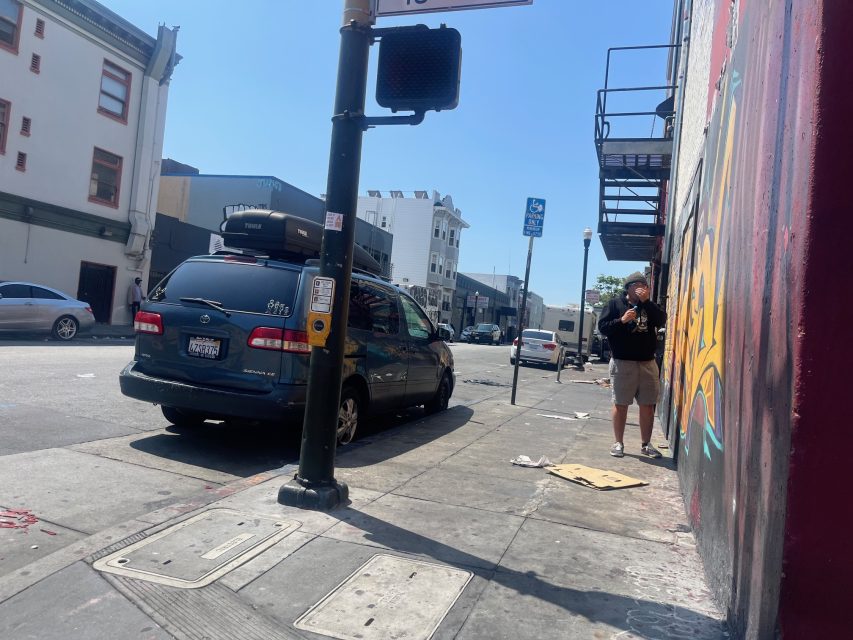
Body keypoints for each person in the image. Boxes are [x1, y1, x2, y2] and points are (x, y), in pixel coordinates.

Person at [597, 271, 667, 458]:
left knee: (647, 405)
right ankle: (618, 443)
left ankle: (646, 444)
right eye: (638, 286)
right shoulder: (614, 304)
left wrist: (647, 302)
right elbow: (603, 328)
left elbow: (661, 320)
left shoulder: (650, 306)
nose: (642, 289)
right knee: (621, 404)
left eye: (645, 286)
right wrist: (621, 320)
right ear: (629, 288)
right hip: (622, 363)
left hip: (647, 363)